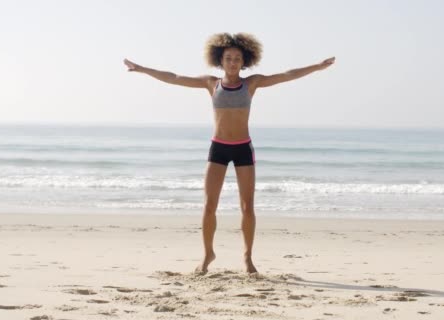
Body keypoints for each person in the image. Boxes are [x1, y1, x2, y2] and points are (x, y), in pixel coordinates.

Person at [123, 32, 335, 274]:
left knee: (247, 206)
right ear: (220, 61)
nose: (232, 62)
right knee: (209, 205)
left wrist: (317, 67)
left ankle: (247, 257)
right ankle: (207, 255)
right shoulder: (210, 83)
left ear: (243, 62)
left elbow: (286, 76)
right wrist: (141, 68)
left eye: (237, 59)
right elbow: (174, 77)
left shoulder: (251, 83)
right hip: (219, 148)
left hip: (243, 148)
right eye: (228, 58)